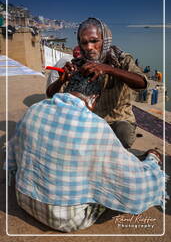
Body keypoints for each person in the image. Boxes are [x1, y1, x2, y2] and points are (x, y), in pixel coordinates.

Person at [6, 72, 165, 232]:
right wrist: (152, 160)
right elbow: (131, 183)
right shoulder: (95, 125)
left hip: (23, 199)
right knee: (112, 183)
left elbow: (15, 152)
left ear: (67, 88)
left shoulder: (35, 109)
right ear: (94, 97)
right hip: (65, 218)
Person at [46, 17, 149, 149]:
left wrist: (109, 69)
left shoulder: (121, 59)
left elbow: (142, 83)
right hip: (89, 119)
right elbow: (50, 95)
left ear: (105, 40)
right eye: (84, 43)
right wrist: (61, 80)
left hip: (118, 119)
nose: (89, 47)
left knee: (122, 137)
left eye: (94, 41)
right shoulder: (78, 64)